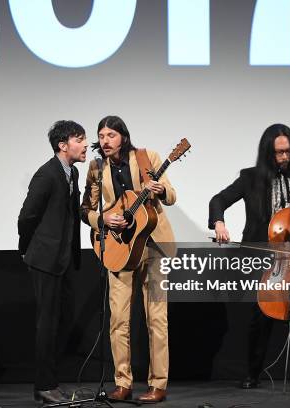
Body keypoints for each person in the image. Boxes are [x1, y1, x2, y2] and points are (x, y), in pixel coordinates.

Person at [208, 123, 290, 396]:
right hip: (266, 259)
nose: (285, 158)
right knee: (261, 315)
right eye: (279, 153)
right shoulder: (250, 177)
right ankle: (253, 373)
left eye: (289, 152)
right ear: (268, 152)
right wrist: (218, 222)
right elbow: (218, 199)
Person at [81, 115, 176, 403]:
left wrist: (161, 190)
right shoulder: (96, 167)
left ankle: (158, 385)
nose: (105, 140)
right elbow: (85, 208)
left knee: (157, 319)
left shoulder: (148, 158)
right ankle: (122, 383)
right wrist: (103, 219)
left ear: (123, 136)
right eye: (101, 135)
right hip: (119, 248)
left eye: (111, 134)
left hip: (155, 246)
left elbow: (171, 196)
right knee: (118, 320)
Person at [18, 120, 88, 404]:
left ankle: (52, 382)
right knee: (47, 324)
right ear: (63, 145)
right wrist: (26, 249)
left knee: (62, 321)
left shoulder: (71, 172)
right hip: (45, 258)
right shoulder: (47, 174)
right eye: (79, 139)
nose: (85, 145)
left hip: (64, 258)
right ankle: (44, 386)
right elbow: (27, 216)